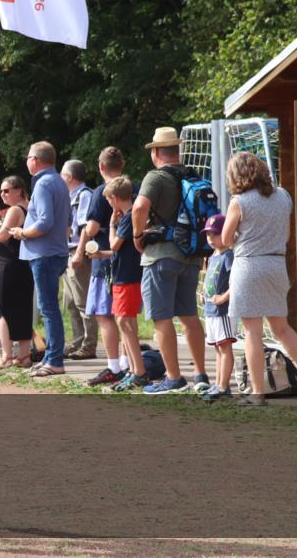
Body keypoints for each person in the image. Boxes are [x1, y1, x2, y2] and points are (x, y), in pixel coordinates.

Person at [221, 152, 297, 406]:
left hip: (248, 266)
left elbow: (225, 240)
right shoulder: (283, 196)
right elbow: (288, 237)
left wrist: (242, 239)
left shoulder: (239, 202)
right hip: (276, 264)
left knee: (252, 332)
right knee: (282, 328)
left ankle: (257, 392)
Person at [131, 127, 209, 394]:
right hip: (191, 256)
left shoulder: (156, 177)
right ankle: (200, 374)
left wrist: (137, 234)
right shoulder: (192, 175)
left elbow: (140, 206)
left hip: (161, 256)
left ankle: (174, 377)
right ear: (178, 150)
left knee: (162, 318)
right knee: (189, 316)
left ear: (155, 153)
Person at [11, 141, 71, 378]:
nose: (26, 161)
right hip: (54, 252)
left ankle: (55, 360)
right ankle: (50, 357)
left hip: (44, 254)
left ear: (35, 160)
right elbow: (65, 221)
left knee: (48, 309)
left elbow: (44, 221)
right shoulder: (59, 182)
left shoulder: (44, 183)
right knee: (49, 308)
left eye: (27, 157)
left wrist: (22, 233)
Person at [87, 177, 148, 390]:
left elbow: (114, 243)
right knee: (125, 322)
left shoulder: (127, 217)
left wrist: (112, 224)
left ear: (114, 198)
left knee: (125, 323)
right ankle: (133, 369)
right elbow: (116, 250)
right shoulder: (130, 216)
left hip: (128, 277)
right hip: (126, 274)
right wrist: (100, 255)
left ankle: (138, 371)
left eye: (109, 201)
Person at [74, 147, 127, 385]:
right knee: (125, 316)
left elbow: (92, 228)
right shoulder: (132, 188)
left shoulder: (100, 192)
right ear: (122, 164)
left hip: (103, 260)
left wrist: (79, 251)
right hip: (127, 258)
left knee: (104, 315)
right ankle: (129, 364)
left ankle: (114, 366)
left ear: (101, 166)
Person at [0, 175, 34, 369]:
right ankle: (24, 356)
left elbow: (2, 236)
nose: (2, 194)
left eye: (6, 190)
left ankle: (7, 356)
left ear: (18, 190)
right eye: (1, 190)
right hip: (22, 264)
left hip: (8, 266)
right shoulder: (29, 207)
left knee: (4, 311)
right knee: (23, 310)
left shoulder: (15, 209)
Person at [61, 159, 98, 360]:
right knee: (70, 302)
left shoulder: (84, 195)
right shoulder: (68, 196)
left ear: (69, 177)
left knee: (83, 301)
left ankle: (89, 345)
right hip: (66, 252)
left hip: (77, 252)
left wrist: (79, 253)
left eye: (62, 174)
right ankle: (77, 341)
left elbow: (85, 227)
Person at [198, 214, 237, 401]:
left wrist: (223, 297)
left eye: (215, 235)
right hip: (211, 311)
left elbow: (236, 282)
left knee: (225, 346)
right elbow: (209, 279)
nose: (211, 239)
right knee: (217, 347)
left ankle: (224, 386)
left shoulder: (229, 255)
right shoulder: (213, 257)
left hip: (223, 311)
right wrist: (203, 294)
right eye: (208, 235)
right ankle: (218, 383)